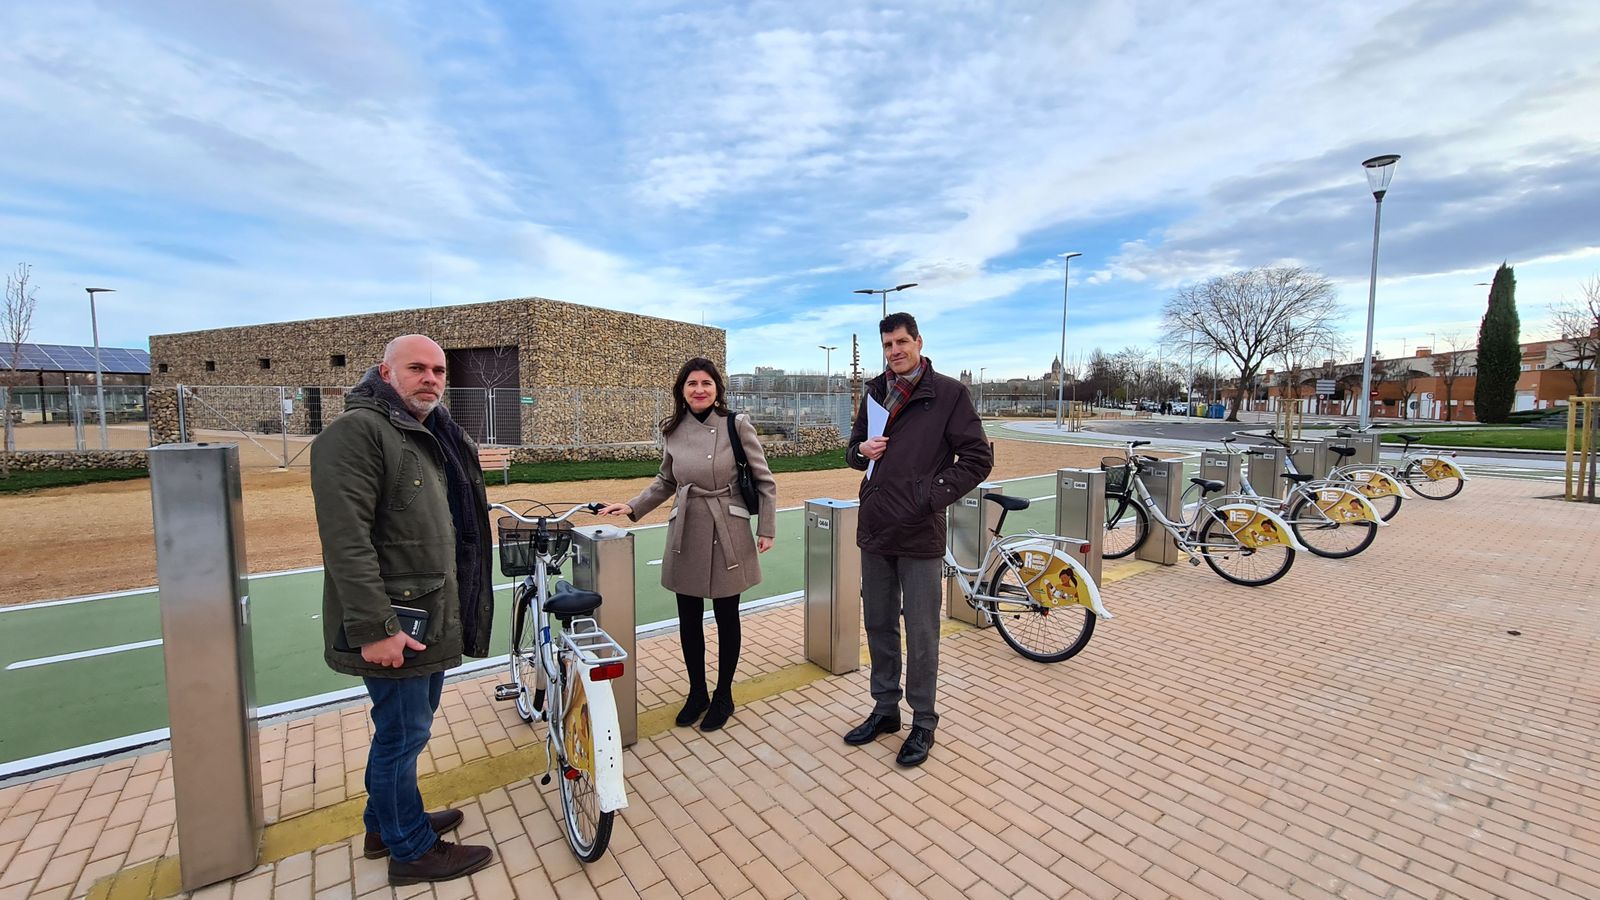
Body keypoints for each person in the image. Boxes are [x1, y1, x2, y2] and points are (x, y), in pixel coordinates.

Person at [310, 335, 495, 886]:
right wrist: (375, 628)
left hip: (429, 614)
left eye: (438, 370)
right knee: (401, 733)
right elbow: (346, 541)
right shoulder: (357, 434)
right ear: (385, 373)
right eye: (417, 368)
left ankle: (383, 823)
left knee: (405, 728)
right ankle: (410, 849)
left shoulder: (426, 433)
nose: (431, 379)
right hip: (398, 623)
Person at [843, 312, 993, 767]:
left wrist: (931, 496)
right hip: (875, 528)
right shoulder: (874, 391)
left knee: (922, 632)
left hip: (920, 530)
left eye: (902, 342)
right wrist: (859, 452)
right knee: (879, 625)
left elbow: (977, 458)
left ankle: (923, 720)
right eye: (888, 345)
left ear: (919, 342)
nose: (895, 352)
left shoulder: (947, 394)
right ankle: (885, 709)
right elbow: (853, 451)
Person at [600, 357, 776, 732]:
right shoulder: (673, 430)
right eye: (692, 383)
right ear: (682, 390)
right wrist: (632, 506)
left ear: (717, 389)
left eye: (706, 384)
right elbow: (665, 480)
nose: (699, 389)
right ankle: (698, 692)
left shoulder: (736, 425)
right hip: (686, 528)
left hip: (727, 527)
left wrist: (768, 528)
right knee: (689, 618)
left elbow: (765, 481)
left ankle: (723, 694)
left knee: (727, 617)